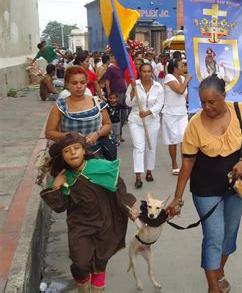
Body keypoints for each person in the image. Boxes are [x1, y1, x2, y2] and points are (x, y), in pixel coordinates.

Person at [167, 76, 242, 293]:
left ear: (224, 97)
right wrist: (178, 197)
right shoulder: (194, 125)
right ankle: (212, 288)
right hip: (205, 188)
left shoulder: (239, 110)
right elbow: (187, 163)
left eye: (212, 101)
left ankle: (218, 271)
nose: (206, 106)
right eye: (202, 102)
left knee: (229, 233)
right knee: (214, 236)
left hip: (235, 185)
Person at [40, 132, 137, 292]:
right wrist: (56, 187)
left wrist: (130, 207)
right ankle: (83, 287)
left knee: (100, 260)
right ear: (62, 157)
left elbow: (119, 187)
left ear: (84, 150)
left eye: (76, 148)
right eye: (67, 151)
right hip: (80, 225)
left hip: (106, 222)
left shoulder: (101, 167)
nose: (72, 153)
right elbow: (60, 207)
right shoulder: (66, 178)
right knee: (80, 262)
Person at [45, 65, 112, 155]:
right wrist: (70, 136)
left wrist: (97, 134)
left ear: (86, 83)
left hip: (96, 154)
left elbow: (108, 125)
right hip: (71, 157)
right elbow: (49, 133)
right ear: (67, 84)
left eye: (82, 82)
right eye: (74, 83)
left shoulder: (96, 102)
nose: (79, 86)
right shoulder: (60, 106)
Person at [126, 63, 164, 188]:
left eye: (149, 71)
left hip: (152, 121)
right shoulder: (134, 85)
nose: (146, 74)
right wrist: (132, 91)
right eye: (144, 71)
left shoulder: (158, 87)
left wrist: (148, 112)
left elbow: (159, 104)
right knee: (139, 147)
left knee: (151, 147)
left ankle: (149, 171)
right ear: (140, 72)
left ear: (152, 72)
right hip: (136, 120)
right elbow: (128, 103)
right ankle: (138, 176)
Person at [162, 58, 192, 175]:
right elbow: (180, 90)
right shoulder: (169, 77)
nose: (183, 68)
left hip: (182, 113)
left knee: (185, 139)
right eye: (181, 65)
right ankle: (174, 163)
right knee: (173, 140)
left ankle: (185, 164)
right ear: (175, 68)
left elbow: (185, 96)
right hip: (170, 114)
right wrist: (188, 80)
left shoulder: (183, 78)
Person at [104, 54, 128, 141]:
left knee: (124, 115)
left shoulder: (122, 68)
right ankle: (118, 134)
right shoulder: (110, 68)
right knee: (117, 114)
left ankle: (118, 131)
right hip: (116, 94)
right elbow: (107, 81)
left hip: (124, 92)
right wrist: (109, 93)